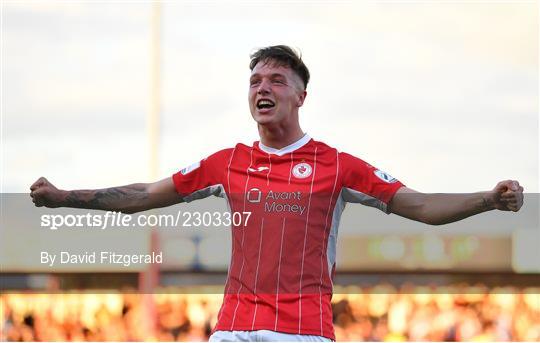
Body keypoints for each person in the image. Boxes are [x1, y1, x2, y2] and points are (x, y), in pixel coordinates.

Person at [30, 45, 524, 342]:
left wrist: (487, 198)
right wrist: (63, 196)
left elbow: (420, 206)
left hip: (303, 330)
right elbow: (142, 195)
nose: (260, 88)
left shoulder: (337, 165)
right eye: (253, 81)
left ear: (300, 96)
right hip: (232, 327)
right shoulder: (226, 163)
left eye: (275, 80)